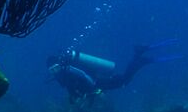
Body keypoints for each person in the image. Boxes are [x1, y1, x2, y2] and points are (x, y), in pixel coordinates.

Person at [47, 40, 179, 100]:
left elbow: (84, 75)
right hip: (97, 83)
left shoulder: (68, 69)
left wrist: (94, 89)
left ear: (60, 64)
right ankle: (139, 56)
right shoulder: (62, 76)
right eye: (52, 70)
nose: (55, 71)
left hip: (99, 81)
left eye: (56, 67)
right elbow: (73, 87)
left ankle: (139, 58)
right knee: (123, 81)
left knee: (124, 81)